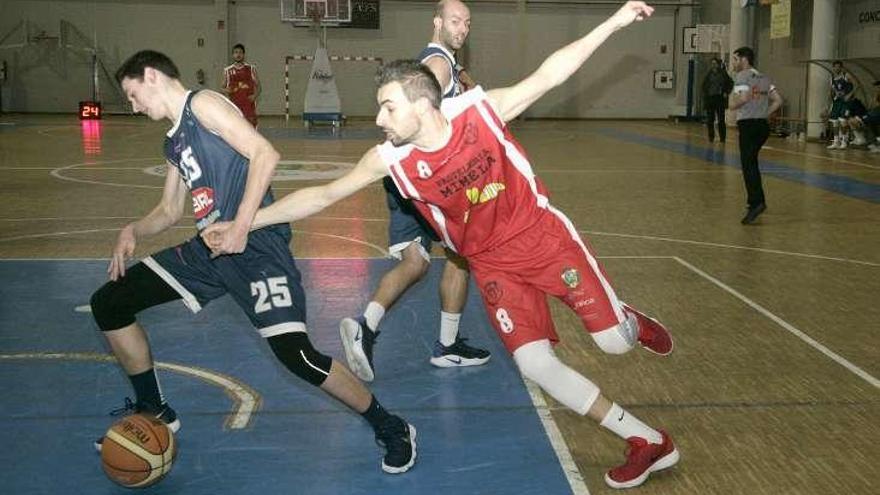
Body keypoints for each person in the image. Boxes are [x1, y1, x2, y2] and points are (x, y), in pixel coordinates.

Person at [205, 2, 679, 489]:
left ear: (423, 104)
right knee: (536, 364)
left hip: (542, 240)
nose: (380, 118)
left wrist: (617, 20)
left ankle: (628, 321)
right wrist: (245, 223)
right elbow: (323, 195)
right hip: (491, 264)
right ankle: (646, 440)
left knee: (613, 345)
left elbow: (553, 72)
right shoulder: (391, 159)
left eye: (388, 106)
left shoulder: (480, 113)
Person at [89, 50, 416, 474]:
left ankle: (391, 427)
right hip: (211, 249)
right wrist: (134, 229)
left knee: (297, 356)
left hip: (257, 247)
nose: (133, 106)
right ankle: (155, 408)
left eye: (132, 94)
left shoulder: (203, 105)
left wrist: (241, 226)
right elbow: (170, 210)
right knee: (110, 304)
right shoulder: (174, 138)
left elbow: (265, 154)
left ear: (151, 76)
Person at [339, 0, 490, 383]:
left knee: (416, 262)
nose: (463, 28)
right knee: (460, 256)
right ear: (437, 22)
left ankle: (366, 326)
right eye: (456, 20)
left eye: (468, 22)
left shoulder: (441, 63)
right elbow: (416, 121)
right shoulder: (438, 64)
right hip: (423, 177)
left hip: (406, 178)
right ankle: (448, 346)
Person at [729, 46, 783, 225]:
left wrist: (732, 105)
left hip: (748, 125)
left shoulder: (742, 76)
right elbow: (778, 100)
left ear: (744, 59)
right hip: (762, 127)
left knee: (748, 165)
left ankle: (757, 202)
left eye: (736, 59)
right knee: (751, 162)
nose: (734, 63)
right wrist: (765, 113)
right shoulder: (763, 78)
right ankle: (754, 200)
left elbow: (743, 98)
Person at [222, 43, 260, 127]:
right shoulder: (227, 70)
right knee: (235, 127)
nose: (238, 54)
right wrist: (226, 90)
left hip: (248, 104)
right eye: (236, 52)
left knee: (251, 128)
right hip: (234, 104)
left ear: (243, 55)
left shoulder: (251, 68)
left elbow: (259, 86)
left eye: (240, 52)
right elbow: (222, 88)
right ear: (233, 55)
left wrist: (255, 95)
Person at [826, 60, 857, 150]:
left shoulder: (846, 75)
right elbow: (831, 91)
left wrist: (849, 95)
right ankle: (836, 142)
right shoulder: (832, 78)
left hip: (846, 102)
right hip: (837, 102)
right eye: (835, 66)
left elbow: (856, 85)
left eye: (838, 66)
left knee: (843, 120)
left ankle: (844, 141)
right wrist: (828, 104)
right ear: (833, 67)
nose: (837, 68)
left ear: (841, 67)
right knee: (834, 121)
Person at [701, 57, 733, 143]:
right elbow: (704, 86)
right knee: (710, 119)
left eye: (715, 63)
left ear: (718, 64)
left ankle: (722, 138)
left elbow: (730, 83)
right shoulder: (709, 74)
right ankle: (711, 137)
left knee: (721, 120)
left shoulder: (723, 74)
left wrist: (726, 92)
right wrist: (706, 94)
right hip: (710, 99)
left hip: (719, 99)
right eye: (712, 64)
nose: (713, 65)